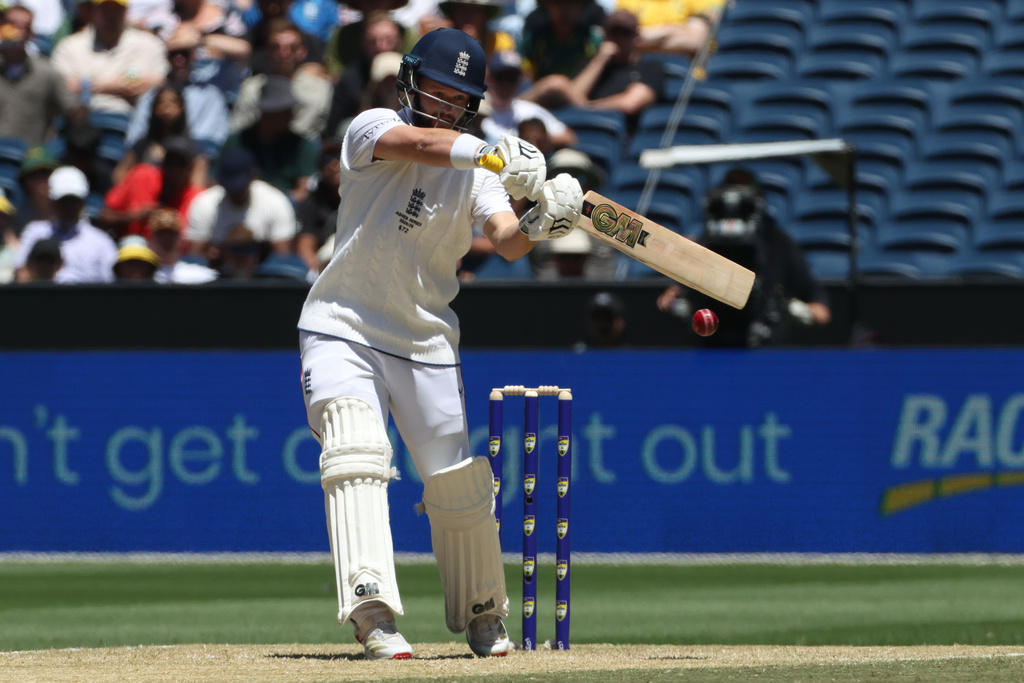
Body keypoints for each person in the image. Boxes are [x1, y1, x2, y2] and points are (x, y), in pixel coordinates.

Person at [296, 27, 583, 660]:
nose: (446, 102)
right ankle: (372, 614)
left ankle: (484, 613)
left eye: (460, 96)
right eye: (437, 87)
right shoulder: (369, 128)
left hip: (425, 340)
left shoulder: (477, 173)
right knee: (355, 449)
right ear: (409, 80)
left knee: (456, 482)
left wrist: (543, 219)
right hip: (342, 325)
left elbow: (507, 239)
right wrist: (493, 154)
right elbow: (422, 143)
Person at [656, 168, 832, 348]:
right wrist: (675, 295)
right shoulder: (704, 244)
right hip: (712, 349)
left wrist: (800, 311)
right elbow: (672, 298)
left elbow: (820, 306)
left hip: (763, 351)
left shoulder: (778, 243)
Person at [523, 9, 664, 132]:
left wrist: (587, 107)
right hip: (578, 129)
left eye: (625, 33)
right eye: (614, 33)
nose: (619, 39)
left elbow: (631, 103)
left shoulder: (650, 67)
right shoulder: (592, 65)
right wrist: (599, 61)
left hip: (622, 134)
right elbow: (572, 94)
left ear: (637, 38)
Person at [50, 0, 169, 115]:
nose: (110, 15)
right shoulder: (70, 46)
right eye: (104, 9)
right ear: (94, 11)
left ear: (125, 11)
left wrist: (86, 85)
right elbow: (63, 87)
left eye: (115, 9)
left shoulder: (148, 44)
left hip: (130, 120)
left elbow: (158, 81)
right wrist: (114, 85)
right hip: (82, 121)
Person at [184, 146, 297, 266]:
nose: (234, 192)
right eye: (229, 186)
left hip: (262, 274)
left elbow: (282, 259)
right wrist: (210, 255)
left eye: (239, 188)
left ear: (253, 177)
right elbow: (194, 260)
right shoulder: (204, 204)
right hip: (217, 274)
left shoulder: (275, 202)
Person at [221, 74, 319, 203]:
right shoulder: (237, 141)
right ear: (266, 114)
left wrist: (278, 204)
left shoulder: (302, 144)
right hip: (242, 204)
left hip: (287, 207)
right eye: (283, 111)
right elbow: (218, 182)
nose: (291, 115)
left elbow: (304, 189)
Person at [230, 19, 331, 140]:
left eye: (292, 47)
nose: (283, 53)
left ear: (302, 51)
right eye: (275, 47)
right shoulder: (251, 88)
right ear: (267, 50)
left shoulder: (319, 88)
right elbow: (238, 129)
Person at [15, 165, 118, 283]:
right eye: (63, 201)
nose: (68, 207)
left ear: (82, 203)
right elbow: (21, 273)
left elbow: (110, 284)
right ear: (53, 202)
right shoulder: (34, 232)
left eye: (73, 201)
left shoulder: (101, 242)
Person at [100, 135, 205, 239]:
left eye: (180, 164)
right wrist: (134, 216)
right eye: (169, 162)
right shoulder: (142, 176)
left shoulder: (198, 199)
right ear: (162, 163)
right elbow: (104, 216)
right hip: (130, 248)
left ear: (190, 169)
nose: (173, 170)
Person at [0, 18, 80, 147]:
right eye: (11, 26)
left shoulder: (46, 72)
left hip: (31, 154)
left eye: (22, 27)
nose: (16, 31)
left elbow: (72, 109)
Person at [479, 50, 575, 149]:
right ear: (489, 78)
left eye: (512, 78)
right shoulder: (478, 110)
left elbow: (568, 137)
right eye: (501, 77)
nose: (506, 84)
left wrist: (533, 139)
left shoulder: (527, 110)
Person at [294, 138, 341, 274]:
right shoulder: (311, 202)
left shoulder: (364, 194)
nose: (333, 164)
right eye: (326, 159)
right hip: (324, 269)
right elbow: (305, 248)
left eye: (338, 156)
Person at [614, 0, 722, 57]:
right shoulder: (627, 1)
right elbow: (621, 40)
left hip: (689, 75)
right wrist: (672, 31)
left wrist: (642, 37)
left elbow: (697, 40)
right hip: (639, 72)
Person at [147, 207, 218, 283]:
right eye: (161, 234)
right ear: (152, 239)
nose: (166, 239)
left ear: (180, 239)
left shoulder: (199, 274)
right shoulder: (144, 274)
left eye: (171, 234)